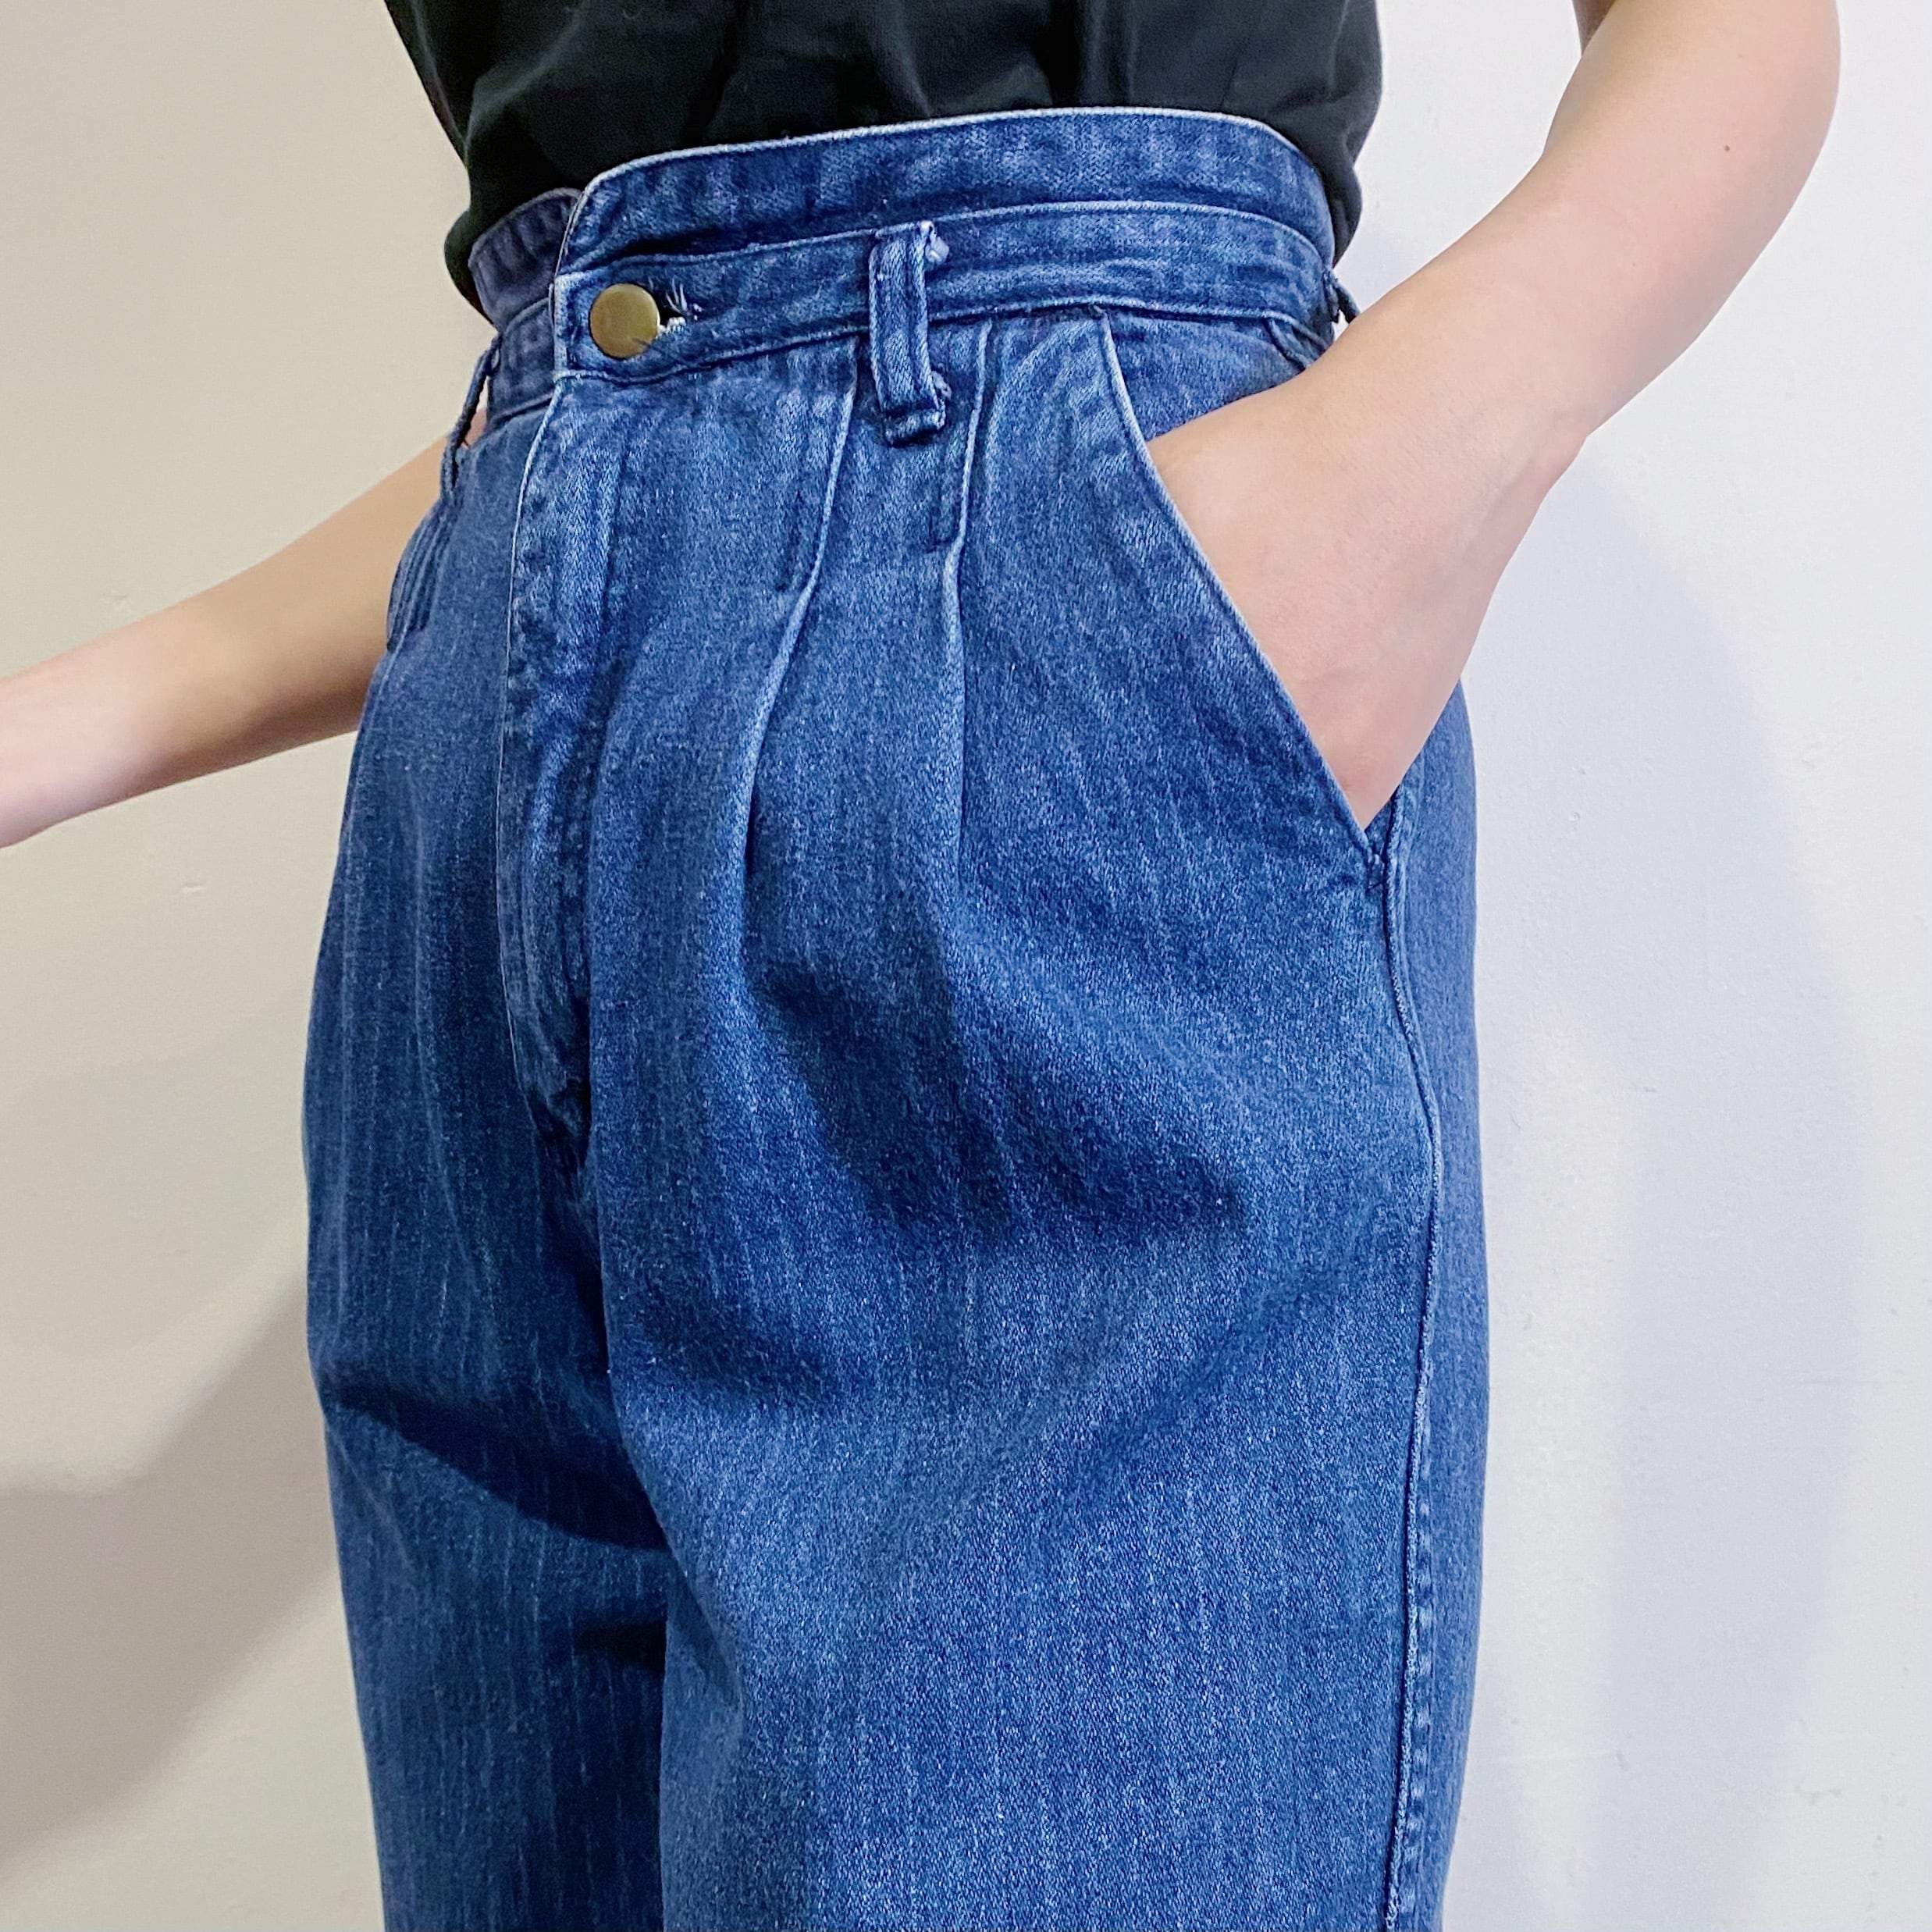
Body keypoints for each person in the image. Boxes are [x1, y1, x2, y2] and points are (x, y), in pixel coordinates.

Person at [0, 2, 1837, 1927]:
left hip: (1057, 653)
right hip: (492, 752)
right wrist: (61, 727)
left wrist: (1397, 463)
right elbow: (678, 385)